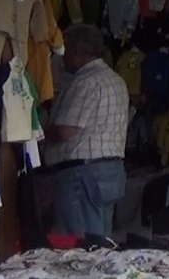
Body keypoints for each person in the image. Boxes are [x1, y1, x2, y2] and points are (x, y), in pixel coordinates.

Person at [45, 24, 130, 239]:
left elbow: (65, 131)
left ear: (77, 51)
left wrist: (40, 133)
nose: (62, 57)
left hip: (83, 175)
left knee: (81, 246)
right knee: (101, 241)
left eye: (65, 50)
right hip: (110, 171)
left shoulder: (86, 82)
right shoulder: (116, 80)